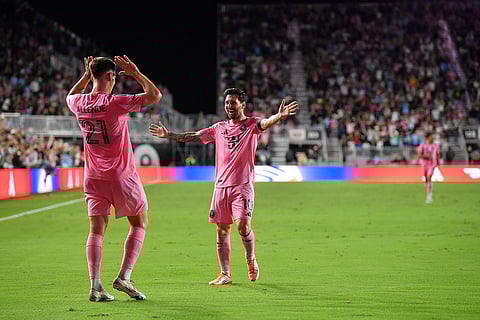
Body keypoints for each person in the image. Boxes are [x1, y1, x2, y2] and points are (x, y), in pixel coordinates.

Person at [149, 88, 298, 285]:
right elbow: (193, 136)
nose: (229, 106)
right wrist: (169, 135)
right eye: (227, 102)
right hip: (221, 187)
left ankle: (250, 259)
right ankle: (225, 274)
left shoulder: (251, 125)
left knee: (243, 226)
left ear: (242, 105)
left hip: (242, 186)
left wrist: (279, 115)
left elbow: (266, 123)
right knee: (221, 230)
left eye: (233, 102)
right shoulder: (218, 128)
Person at [66, 55, 162, 301]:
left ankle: (95, 286)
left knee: (96, 230)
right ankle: (124, 276)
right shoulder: (115, 103)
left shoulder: (78, 102)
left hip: (93, 177)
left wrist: (85, 77)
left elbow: (70, 95)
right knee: (139, 222)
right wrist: (137, 73)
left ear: (92, 75)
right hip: (121, 175)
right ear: (110, 76)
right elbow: (154, 96)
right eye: (115, 76)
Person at [416, 132, 440, 204]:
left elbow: (438, 155)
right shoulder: (423, 146)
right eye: (431, 137)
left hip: (432, 164)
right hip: (425, 164)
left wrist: (438, 162)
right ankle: (428, 192)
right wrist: (426, 156)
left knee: (429, 176)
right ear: (427, 138)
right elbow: (419, 155)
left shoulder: (436, 146)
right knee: (426, 178)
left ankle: (429, 196)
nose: (432, 138)